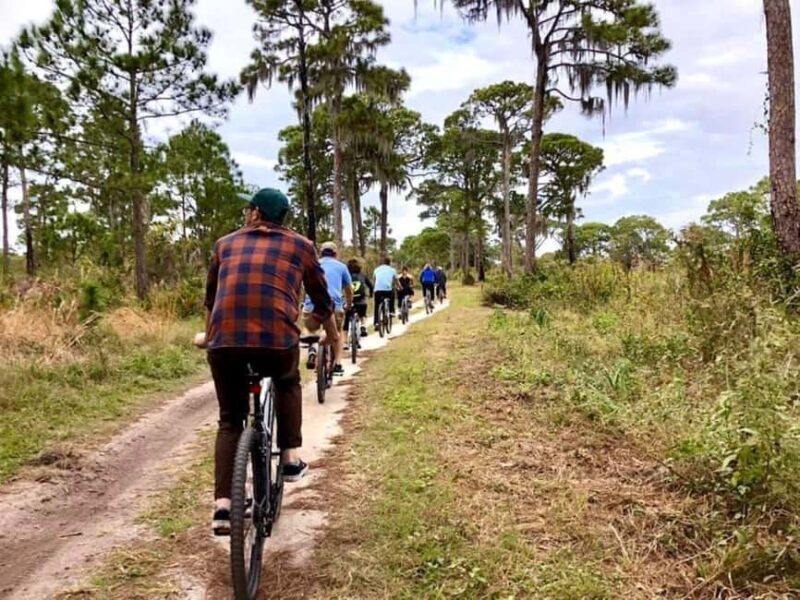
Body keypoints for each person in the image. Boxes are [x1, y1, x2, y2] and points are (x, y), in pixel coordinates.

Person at [201, 188, 338, 536]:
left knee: (230, 420)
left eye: (249, 209)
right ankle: (290, 458)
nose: (247, 214)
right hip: (276, 343)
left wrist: (210, 336)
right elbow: (322, 299)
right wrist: (315, 324)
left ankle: (223, 507)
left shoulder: (224, 244)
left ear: (256, 213)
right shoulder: (301, 246)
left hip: (224, 343)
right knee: (287, 380)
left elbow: (211, 300)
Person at [303, 241, 353, 377]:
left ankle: (313, 347)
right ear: (335, 254)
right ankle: (337, 364)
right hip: (334, 306)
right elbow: (349, 290)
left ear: (320, 253)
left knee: (310, 329)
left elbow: (304, 287)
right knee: (337, 333)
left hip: (310, 304)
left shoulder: (313, 265)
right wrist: (348, 304)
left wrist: (304, 303)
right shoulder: (342, 267)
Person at [343, 258, 373, 342]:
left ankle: (345, 341)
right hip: (361, 302)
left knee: (346, 320)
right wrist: (370, 295)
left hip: (350, 301)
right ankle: (363, 325)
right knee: (362, 315)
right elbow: (370, 286)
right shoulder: (362, 275)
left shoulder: (346, 275)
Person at [373, 256, 398, 329]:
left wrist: (375, 288)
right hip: (387, 291)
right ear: (389, 263)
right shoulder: (392, 270)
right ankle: (391, 311)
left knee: (377, 305)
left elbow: (374, 280)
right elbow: (396, 281)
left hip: (377, 290)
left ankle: (376, 322)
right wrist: (400, 287)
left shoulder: (376, 269)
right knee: (392, 294)